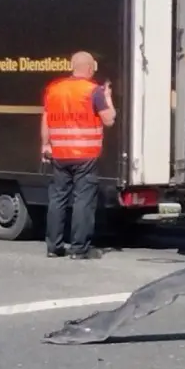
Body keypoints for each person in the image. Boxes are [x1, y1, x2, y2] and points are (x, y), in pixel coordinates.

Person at [41, 51, 116, 259]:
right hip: (85, 155)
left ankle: (53, 248)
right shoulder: (94, 91)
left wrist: (45, 145)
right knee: (83, 201)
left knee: (57, 200)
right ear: (90, 69)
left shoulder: (53, 89)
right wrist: (108, 99)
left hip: (59, 154)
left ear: (73, 67)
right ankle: (79, 248)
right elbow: (109, 120)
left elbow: (46, 119)